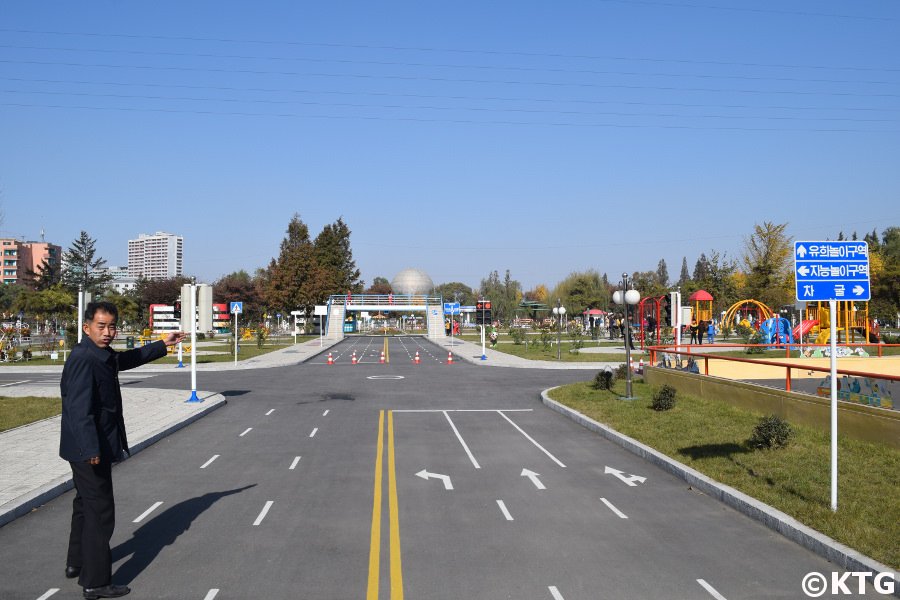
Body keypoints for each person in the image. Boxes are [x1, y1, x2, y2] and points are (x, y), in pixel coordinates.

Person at [59, 302, 184, 599]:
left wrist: (160, 345)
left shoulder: (98, 353)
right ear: (86, 327)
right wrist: (91, 448)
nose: (107, 332)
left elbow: (123, 360)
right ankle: (95, 582)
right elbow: (78, 411)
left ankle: (76, 563)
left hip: (89, 445)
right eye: (101, 327)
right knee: (101, 513)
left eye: (112, 326)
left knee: (84, 505)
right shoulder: (82, 358)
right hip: (89, 448)